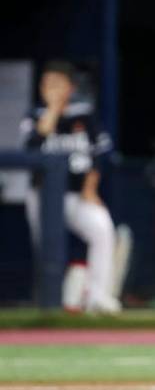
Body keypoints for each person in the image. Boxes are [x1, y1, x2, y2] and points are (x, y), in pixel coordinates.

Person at [20, 60, 121, 315]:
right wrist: (53, 108)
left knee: (102, 228)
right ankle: (48, 301)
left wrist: (91, 187)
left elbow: (99, 153)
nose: (51, 88)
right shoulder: (34, 115)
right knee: (45, 247)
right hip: (42, 196)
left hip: (77, 194)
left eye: (57, 84)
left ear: (70, 87)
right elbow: (34, 143)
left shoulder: (84, 114)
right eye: (47, 83)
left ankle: (98, 297)